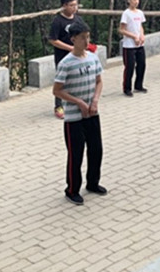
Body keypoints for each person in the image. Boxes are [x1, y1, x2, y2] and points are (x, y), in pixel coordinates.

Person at [53, 21, 107, 205]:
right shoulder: (66, 63)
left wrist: (95, 101)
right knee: (76, 154)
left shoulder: (92, 58)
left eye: (88, 37)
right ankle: (72, 189)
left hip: (92, 113)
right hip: (74, 118)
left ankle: (93, 182)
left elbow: (99, 81)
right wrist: (79, 103)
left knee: (96, 150)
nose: (86, 41)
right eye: (82, 38)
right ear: (73, 39)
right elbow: (57, 91)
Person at [49, 0, 83, 119]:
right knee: (61, 81)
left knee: (77, 79)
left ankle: (77, 102)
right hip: (62, 56)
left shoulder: (78, 19)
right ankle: (59, 106)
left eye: (75, 5)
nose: (74, 8)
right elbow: (53, 40)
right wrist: (70, 48)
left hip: (77, 56)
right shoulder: (58, 21)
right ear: (64, 6)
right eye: (71, 5)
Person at [119, 0, 147, 96]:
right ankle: (127, 88)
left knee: (142, 64)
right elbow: (121, 30)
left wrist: (142, 35)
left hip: (139, 44)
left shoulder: (140, 13)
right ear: (129, 0)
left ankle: (138, 85)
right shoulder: (126, 13)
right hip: (129, 45)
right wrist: (134, 36)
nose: (136, 1)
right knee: (129, 67)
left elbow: (140, 26)